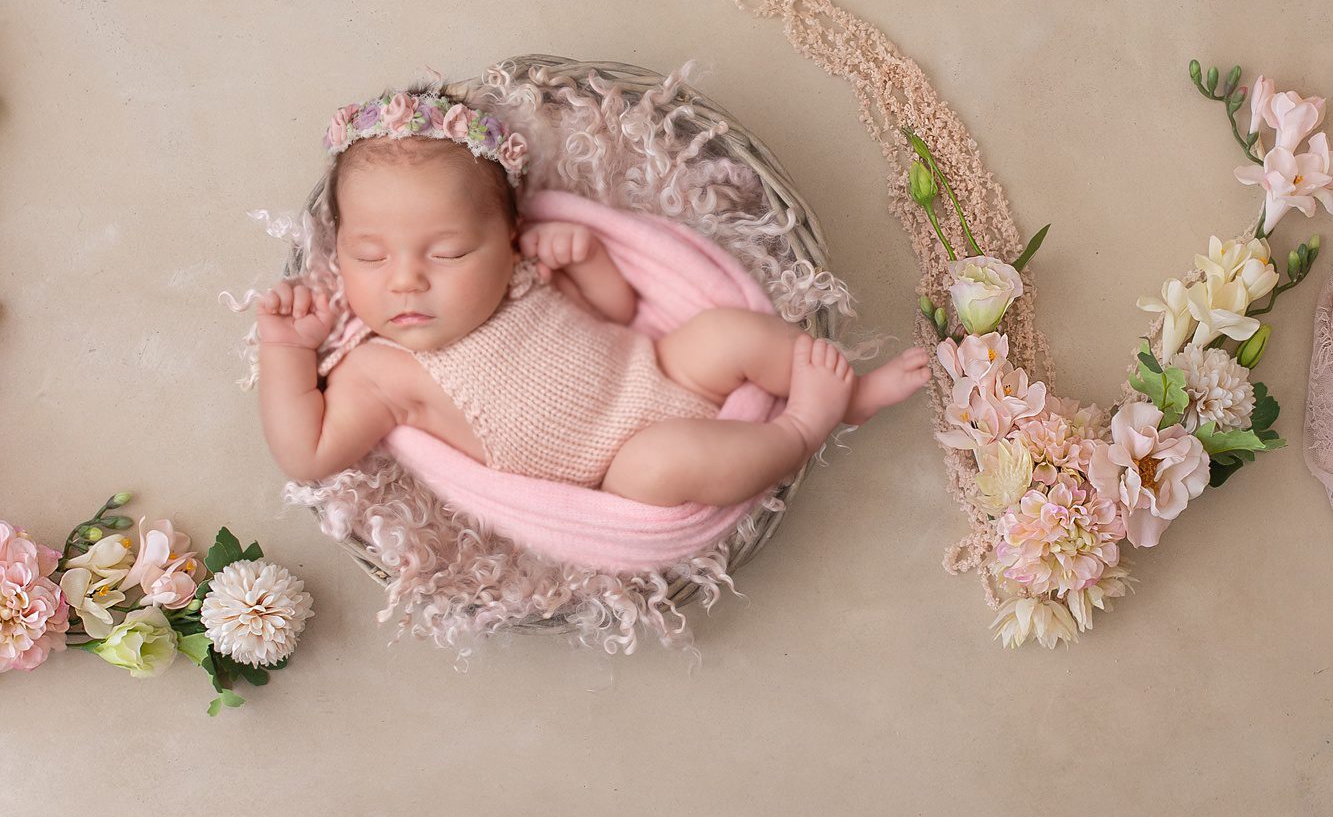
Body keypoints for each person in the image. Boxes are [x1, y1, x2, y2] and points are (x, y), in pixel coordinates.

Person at [253, 86, 929, 504]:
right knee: (663, 464)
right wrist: (286, 351)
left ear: (509, 238)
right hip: (617, 463)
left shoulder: (521, 276)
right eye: (369, 255)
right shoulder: (379, 371)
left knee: (728, 331)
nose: (405, 278)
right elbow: (306, 454)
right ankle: (802, 428)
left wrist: (591, 256)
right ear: (338, 252)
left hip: (658, 368)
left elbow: (616, 315)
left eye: (449, 251)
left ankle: (852, 399)